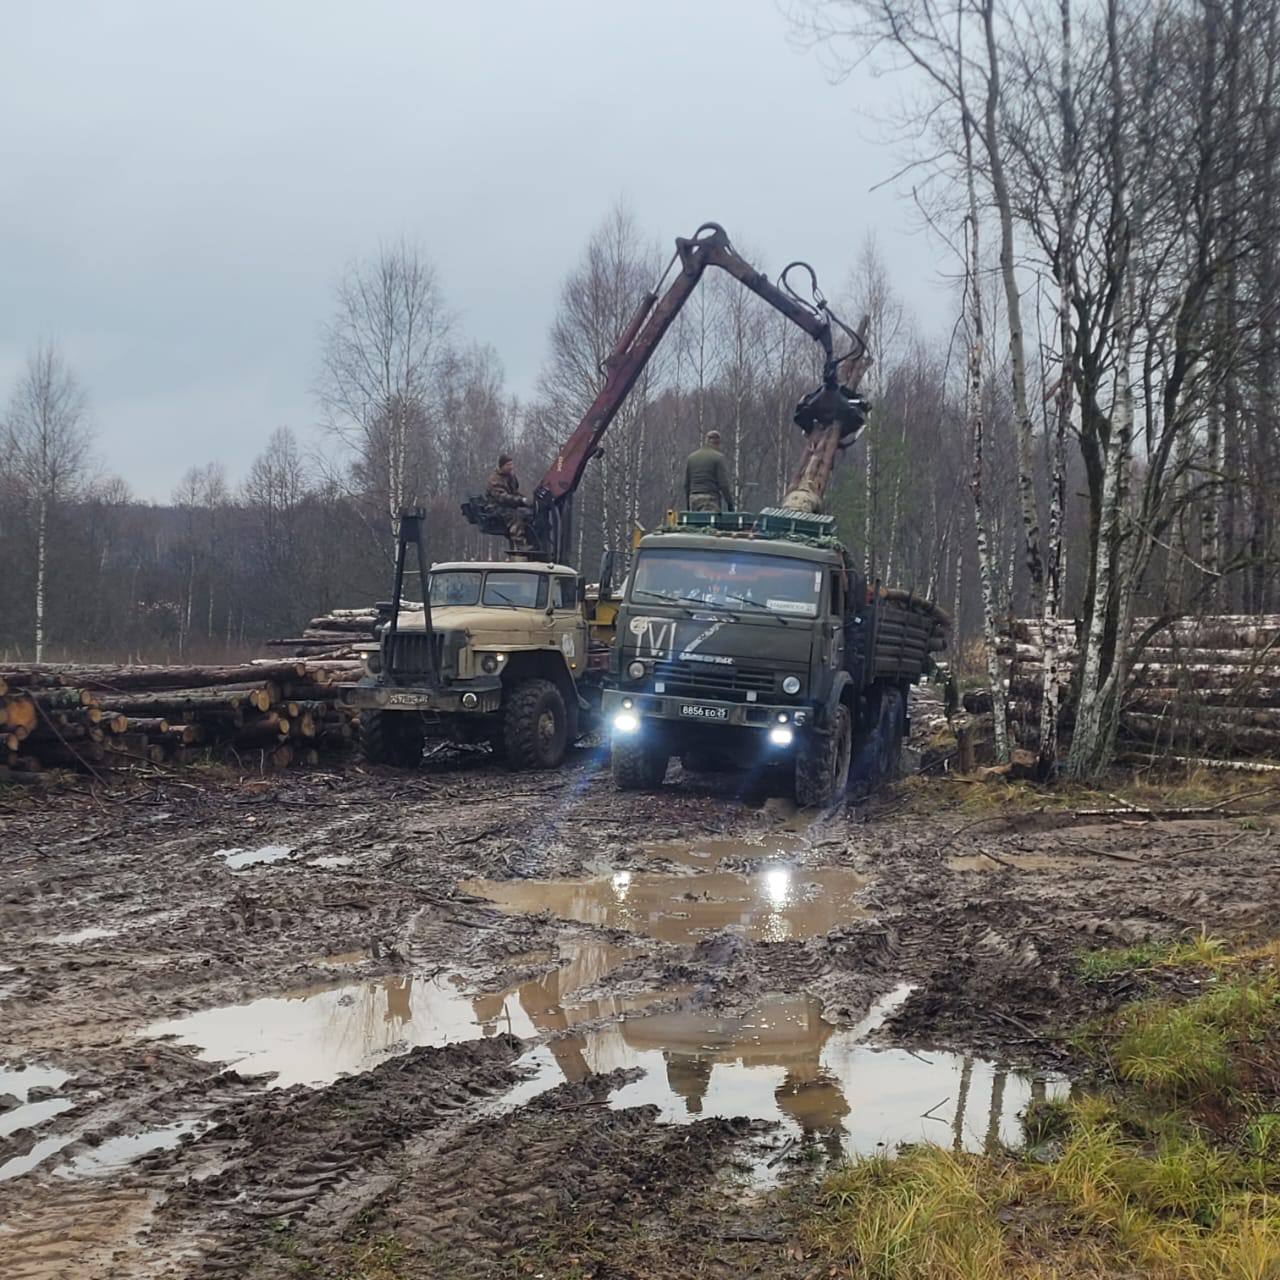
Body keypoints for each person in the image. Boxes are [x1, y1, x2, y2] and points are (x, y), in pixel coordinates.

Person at [486, 453, 534, 551]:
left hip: (508, 504)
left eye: (512, 464)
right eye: (508, 465)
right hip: (496, 507)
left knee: (529, 513)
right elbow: (501, 497)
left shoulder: (511, 476)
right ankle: (521, 545)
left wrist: (525, 500)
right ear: (502, 466)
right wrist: (519, 500)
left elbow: (514, 492)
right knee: (514, 516)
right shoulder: (494, 479)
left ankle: (532, 541)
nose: (511, 467)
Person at [684, 430, 734, 513]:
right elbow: (724, 484)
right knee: (709, 524)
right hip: (710, 500)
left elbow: (686, 484)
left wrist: (688, 505)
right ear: (718, 443)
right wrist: (730, 504)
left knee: (695, 524)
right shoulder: (718, 458)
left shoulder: (691, 457)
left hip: (694, 499)